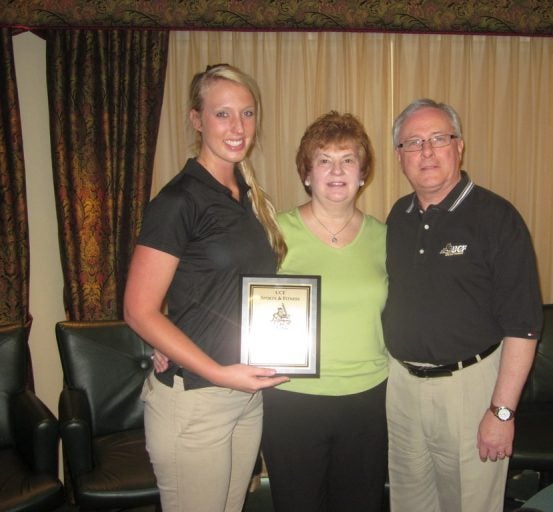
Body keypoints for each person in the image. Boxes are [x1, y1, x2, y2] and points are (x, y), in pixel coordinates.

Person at [123, 63, 289, 512]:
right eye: (223, 114)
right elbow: (138, 310)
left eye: (247, 114)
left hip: (243, 395)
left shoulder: (246, 195)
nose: (238, 128)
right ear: (197, 119)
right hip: (196, 401)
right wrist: (216, 372)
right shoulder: (179, 201)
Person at [382, 98, 543, 512]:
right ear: (400, 157)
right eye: (413, 143)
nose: (427, 152)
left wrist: (502, 412)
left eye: (438, 138)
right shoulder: (398, 218)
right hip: (402, 388)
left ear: (460, 146)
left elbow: (523, 326)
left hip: (470, 390)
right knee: (409, 502)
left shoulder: (497, 218)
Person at [260, 111, 389, 512]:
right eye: (324, 160)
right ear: (307, 172)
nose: (337, 171)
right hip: (292, 399)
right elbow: (227, 298)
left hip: (369, 399)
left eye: (348, 159)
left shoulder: (386, 237)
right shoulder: (272, 231)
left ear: (363, 173)